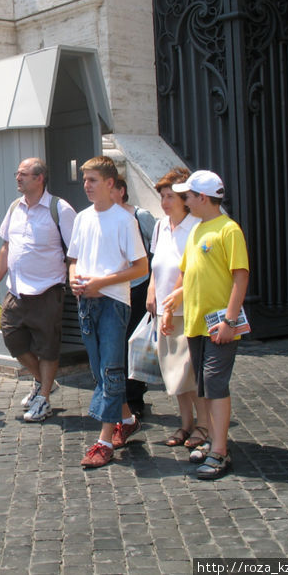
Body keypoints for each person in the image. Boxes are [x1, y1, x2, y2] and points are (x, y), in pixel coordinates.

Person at [162, 170, 249, 480]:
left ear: (202, 198)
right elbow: (188, 274)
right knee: (205, 384)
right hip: (197, 324)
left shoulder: (228, 230)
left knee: (214, 383)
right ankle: (214, 440)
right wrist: (173, 301)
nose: (184, 200)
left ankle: (220, 451)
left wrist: (229, 320)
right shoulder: (198, 230)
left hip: (218, 324)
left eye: (187, 196)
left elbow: (240, 276)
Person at [67, 156, 148, 468]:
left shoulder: (125, 220)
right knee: (100, 369)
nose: (86, 185)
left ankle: (103, 442)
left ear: (111, 183)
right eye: (85, 180)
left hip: (114, 302)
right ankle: (126, 420)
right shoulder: (83, 218)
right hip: (85, 302)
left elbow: (140, 267)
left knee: (111, 370)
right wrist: (74, 277)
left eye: (92, 180)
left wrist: (104, 283)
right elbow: (73, 258)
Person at [0, 158, 77, 422]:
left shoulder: (60, 209)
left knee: (48, 347)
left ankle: (44, 398)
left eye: (23, 174)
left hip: (47, 290)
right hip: (16, 291)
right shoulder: (15, 207)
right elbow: (6, 248)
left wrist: (72, 279)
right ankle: (44, 381)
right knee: (12, 338)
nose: (18, 177)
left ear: (39, 178)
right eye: (17, 173)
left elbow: (74, 252)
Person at [145, 168, 208, 449]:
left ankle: (204, 426)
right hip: (163, 308)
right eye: (162, 196)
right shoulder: (160, 226)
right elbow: (156, 264)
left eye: (170, 196)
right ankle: (185, 424)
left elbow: (191, 269)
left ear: (184, 199)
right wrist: (151, 292)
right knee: (173, 373)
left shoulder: (195, 227)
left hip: (187, 309)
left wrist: (173, 303)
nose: (165, 202)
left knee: (189, 373)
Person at [112, 176, 157, 417]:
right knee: (117, 342)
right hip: (114, 288)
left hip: (139, 285)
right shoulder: (102, 217)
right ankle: (124, 395)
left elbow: (156, 248)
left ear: (121, 191)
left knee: (134, 340)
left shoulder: (141, 216)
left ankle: (134, 395)